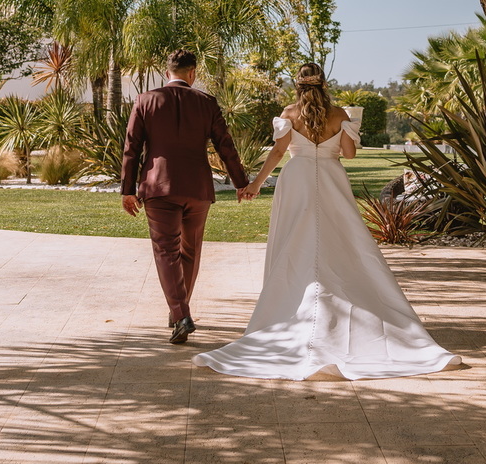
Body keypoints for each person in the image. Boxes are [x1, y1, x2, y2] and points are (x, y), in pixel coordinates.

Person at [193, 63, 461, 380]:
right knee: (341, 238)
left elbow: (278, 152)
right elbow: (349, 154)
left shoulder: (289, 113)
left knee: (296, 238)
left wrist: (255, 184)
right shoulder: (339, 114)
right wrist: (341, 133)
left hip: (297, 178)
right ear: (324, 84)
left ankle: (291, 302)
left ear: (298, 85)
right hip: (332, 177)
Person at [121, 49, 249, 345]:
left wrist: (127, 190)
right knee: (190, 251)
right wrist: (241, 182)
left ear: (167, 73)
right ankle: (179, 310)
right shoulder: (207, 102)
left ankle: (180, 314)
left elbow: (131, 147)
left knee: (166, 251)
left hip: (159, 188)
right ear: (193, 73)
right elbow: (225, 145)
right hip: (197, 188)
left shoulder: (145, 100)